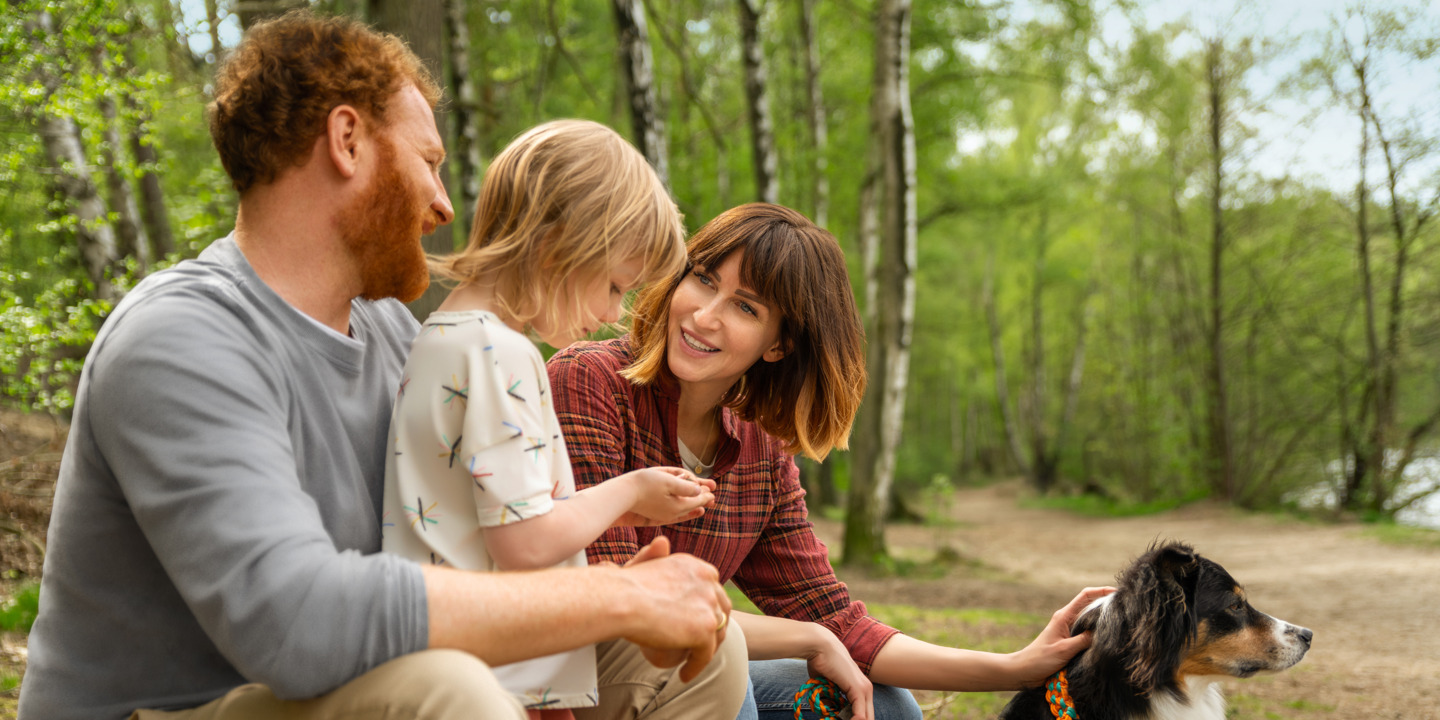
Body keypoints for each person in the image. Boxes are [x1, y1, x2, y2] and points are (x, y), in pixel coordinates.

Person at [19, 12, 740, 720]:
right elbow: (294, 624)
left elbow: (443, 549)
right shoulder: (182, 338)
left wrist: (590, 607)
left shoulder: (399, 334)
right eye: (428, 162)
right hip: (183, 706)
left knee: (705, 662)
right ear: (347, 140)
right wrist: (608, 599)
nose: (444, 204)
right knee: (448, 693)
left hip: (345, 680)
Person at [547, 203, 1114, 720]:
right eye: (703, 280)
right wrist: (808, 641)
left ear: (778, 344)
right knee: (723, 664)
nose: (704, 315)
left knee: (888, 707)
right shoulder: (591, 381)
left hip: (686, 664)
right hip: (575, 674)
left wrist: (1015, 667)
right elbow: (622, 592)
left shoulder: (760, 450)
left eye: (745, 307)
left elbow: (834, 618)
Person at [382, 119, 729, 720]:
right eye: (616, 286)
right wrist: (630, 491)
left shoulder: (443, 336)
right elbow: (525, 541)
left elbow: (497, 510)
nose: (613, 314)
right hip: (502, 671)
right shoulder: (501, 354)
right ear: (557, 248)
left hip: (464, 655)